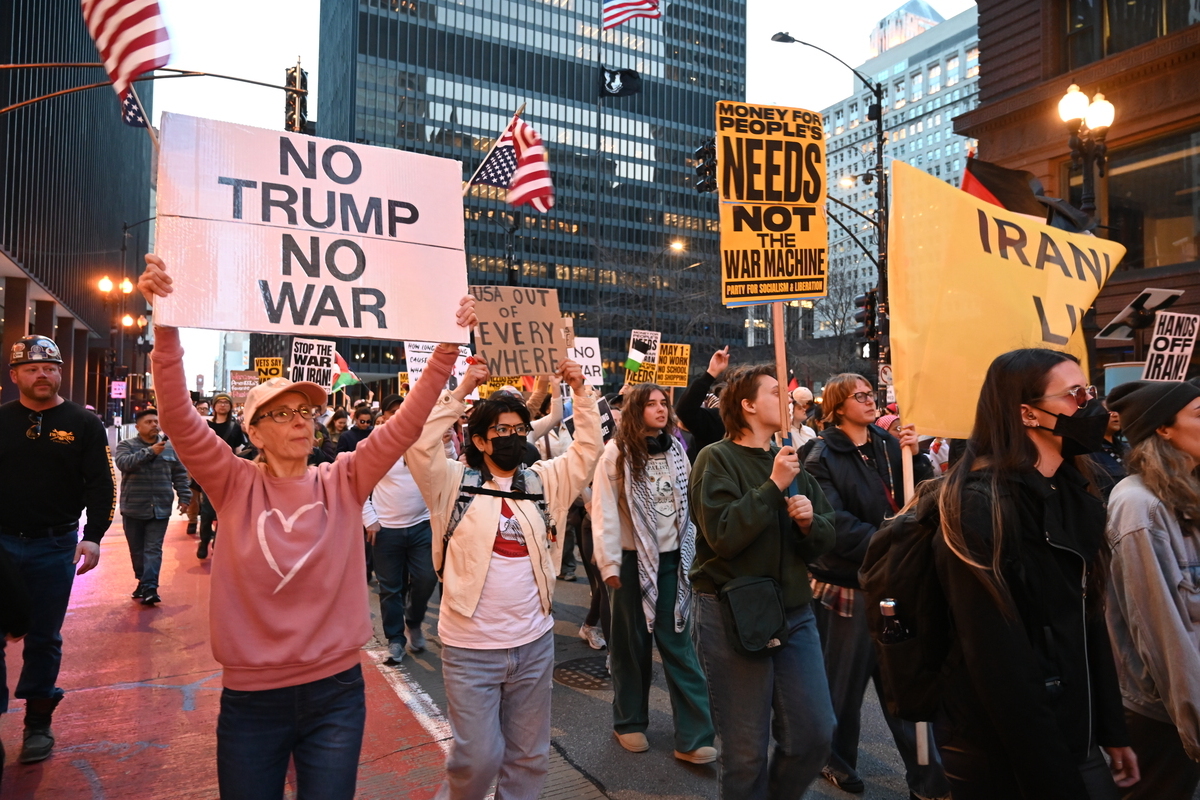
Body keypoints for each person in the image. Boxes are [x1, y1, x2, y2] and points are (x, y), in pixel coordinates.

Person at [139, 253, 474, 800]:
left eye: (308, 412)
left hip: (337, 693)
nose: (301, 419)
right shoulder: (232, 483)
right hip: (252, 701)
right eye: (282, 413)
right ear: (256, 431)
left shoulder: (343, 479)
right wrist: (167, 323)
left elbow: (405, 426)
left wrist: (444, 352)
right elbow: (178, 416)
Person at [933, 349, 1137, 799]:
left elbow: (1085, 620)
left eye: (1090, 392)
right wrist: (1053, 777)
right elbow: (997, 661)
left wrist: (1110, 728)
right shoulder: (977, 507)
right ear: (1027, 413)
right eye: (1074, 395)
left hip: (1074, 732)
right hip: (1012, 751)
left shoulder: (1074, 490)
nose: (1091, 406)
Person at [407, 357, 602, 800]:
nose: (513, 438)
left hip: (534, 645)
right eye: (502, 432)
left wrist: (579, 391)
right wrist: (457, 396)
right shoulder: (451, 483)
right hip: (471, 649)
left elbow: (588, 452)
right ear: (479, 439)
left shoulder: (543, 482)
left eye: (519, 430)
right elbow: (418, 447)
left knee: (529, 758)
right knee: (477, 758)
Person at [689, 364, 837, 799]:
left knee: (815, 734)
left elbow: (827, 533)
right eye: (776, 392)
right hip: (734, 614)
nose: (787, 400)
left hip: (794, 611)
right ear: (748, 405)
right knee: (746, 753)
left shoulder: (791, 460)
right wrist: (774, 485)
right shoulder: (715, 458)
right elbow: (724, 536)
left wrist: (811, 524)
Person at [803, 374, 947, 799]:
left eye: (871, 394)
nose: (869, 401)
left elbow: (920, 497)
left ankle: (927, 777)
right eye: (858, 396)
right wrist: (892, 546)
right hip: (850, 585)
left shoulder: (888, 445)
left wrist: (916, 460)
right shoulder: (821, 454)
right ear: (837, 406)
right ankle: (836, 759)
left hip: (898, 583)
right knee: (843, 688)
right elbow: (835, 525)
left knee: (908, 683)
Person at [0, 334, 115, 764]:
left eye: (49, 368)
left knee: (44, 639)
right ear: (15, 376)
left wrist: (94, 534)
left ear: (60, 373)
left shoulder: (84, 424)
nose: (42, 375)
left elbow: (102, 483)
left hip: (56, 546)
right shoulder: (1, 420)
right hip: (2, 545)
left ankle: (37, 723)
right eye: (31, 368)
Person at [592, 382, 716, 762]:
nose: (662, 409)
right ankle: (629, 723)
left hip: (673, 563)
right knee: (631, 647)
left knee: (680, 645)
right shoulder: (615, 454)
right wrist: (610, 564)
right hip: (630, 564)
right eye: (652, 404)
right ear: (634, 410)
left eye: (664, 403)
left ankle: (695, 737)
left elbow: (689, 505)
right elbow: (605, 512)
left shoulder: (677, 450)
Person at [1103, 380, 1200, 799]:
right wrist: (1193, 721)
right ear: (1163, 428)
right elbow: (1160, 630)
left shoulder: (1187, 492)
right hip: (1164, 710)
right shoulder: (1139, 505)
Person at [363, 393, 437, 664]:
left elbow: (445, 464)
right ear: (383, 416)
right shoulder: (374, 443)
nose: (398, 415)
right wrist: (369, 517)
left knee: (427, 578)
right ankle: (395, 640)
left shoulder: (423, 438)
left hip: (421, 525)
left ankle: (413, 621)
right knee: (391, 588)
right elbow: (358, 479)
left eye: (402, 410)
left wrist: (447, 443)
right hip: (386, 530)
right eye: (392, 411)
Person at [114, 408, 192, 605]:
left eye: (156, 421)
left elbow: (180, 474)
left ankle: (150, 587)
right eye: (148, 422)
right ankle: (142, 580)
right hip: (133, 508)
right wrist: (150, 452)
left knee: (153, 549)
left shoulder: (170, 448)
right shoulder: (126, 445)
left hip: (160, 508)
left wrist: (184, 497)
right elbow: (124, 464)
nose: (154, 425)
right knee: (137, 551)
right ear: (138, 427)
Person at [196, 393, 247, 559]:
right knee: (207, 511)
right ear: (214, 405)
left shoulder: (235, 427)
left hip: (229, 473)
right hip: (209, 472)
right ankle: (204, 540)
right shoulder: (205, 426)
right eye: (220, 402)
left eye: (226, 402)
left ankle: (218, 542)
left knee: (224, 512)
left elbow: (239, 450)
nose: (223, 405)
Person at [675, 345, 730, 461]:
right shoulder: (722, 421)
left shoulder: (774, 452)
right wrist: (710, 374)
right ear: (748, 404)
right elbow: (685, 410)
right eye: (774, 393)